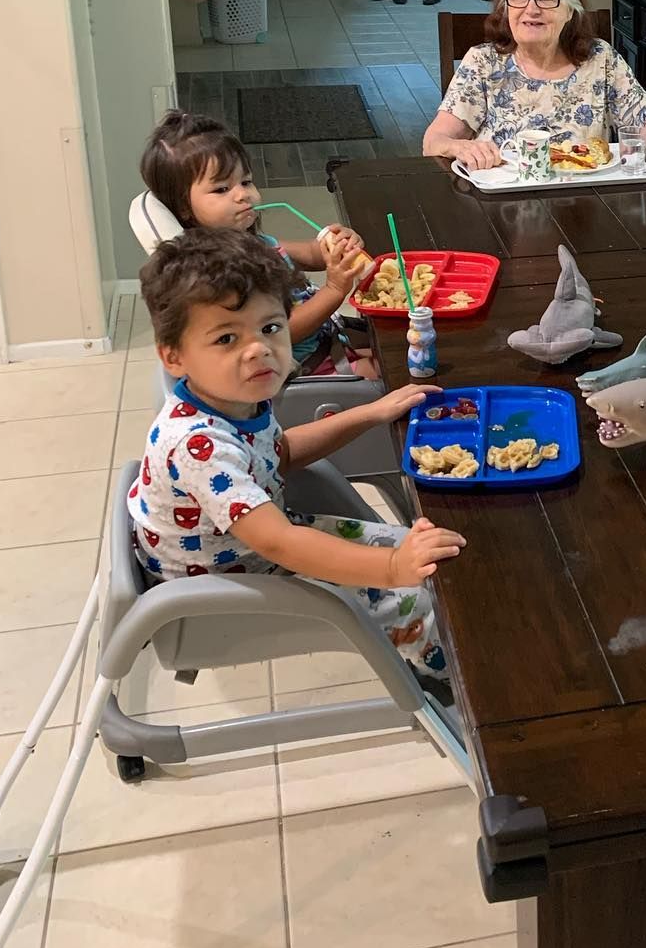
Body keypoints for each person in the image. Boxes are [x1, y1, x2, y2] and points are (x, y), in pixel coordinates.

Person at [133, 226, 463, 679]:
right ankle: (461, 695)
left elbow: (279, 452)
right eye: (226, 339)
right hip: (226, 585)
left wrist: (372, 412)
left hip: (256, 548)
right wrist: (390, 568)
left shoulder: (231, 396)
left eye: (270, 328)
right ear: (173, 357)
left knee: (424, 556)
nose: (259, 350)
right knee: (414, 598)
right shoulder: (197, 445)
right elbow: (280, 543)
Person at [140, 109, 377, 378]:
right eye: (222, 189)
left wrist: (333, 246)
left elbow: (309, 254)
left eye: (246, 181)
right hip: (307, 367)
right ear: (184, 207)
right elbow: (281, 330)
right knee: (397, 370)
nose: (243, 194)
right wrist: (334, 289)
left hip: (329, 340)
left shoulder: (252, 243)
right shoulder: (223, 273)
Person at [422, 0, 646, 171]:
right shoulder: (483, 63)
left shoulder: (600, 60)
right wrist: (460, 147)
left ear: (570, 10)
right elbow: (434, 141)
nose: (532, 9)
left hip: (585, 210)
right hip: (501, 210)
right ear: (505, 7)